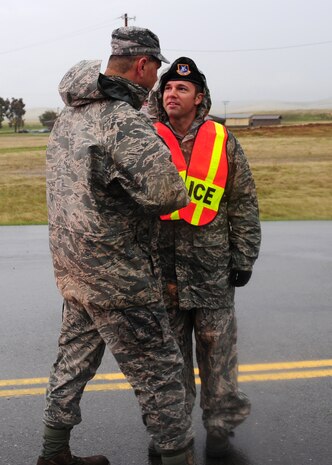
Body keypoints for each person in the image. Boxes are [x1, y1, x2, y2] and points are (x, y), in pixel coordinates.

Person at [36, 30, 196, 465]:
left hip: (74, 267)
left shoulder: (70, 114)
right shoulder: (122, 120)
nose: (158, 79)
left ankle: (54, 453)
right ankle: (178, 456)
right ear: (142, 66)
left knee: (73, 359)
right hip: (118, 274)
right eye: (157, 68)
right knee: (162, 375)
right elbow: (168, 193)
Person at [147, 57, 261, 458]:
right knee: (168, 362)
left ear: (199, 97)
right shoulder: (147, 138)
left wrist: (244, 256)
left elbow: (243, 202)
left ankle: (220, 430)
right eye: (167, 88)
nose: (172, 94)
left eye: (182, 88)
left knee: (219, 359)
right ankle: (171, 432)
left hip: (212, 272)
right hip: (161, 274)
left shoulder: (222, 140)